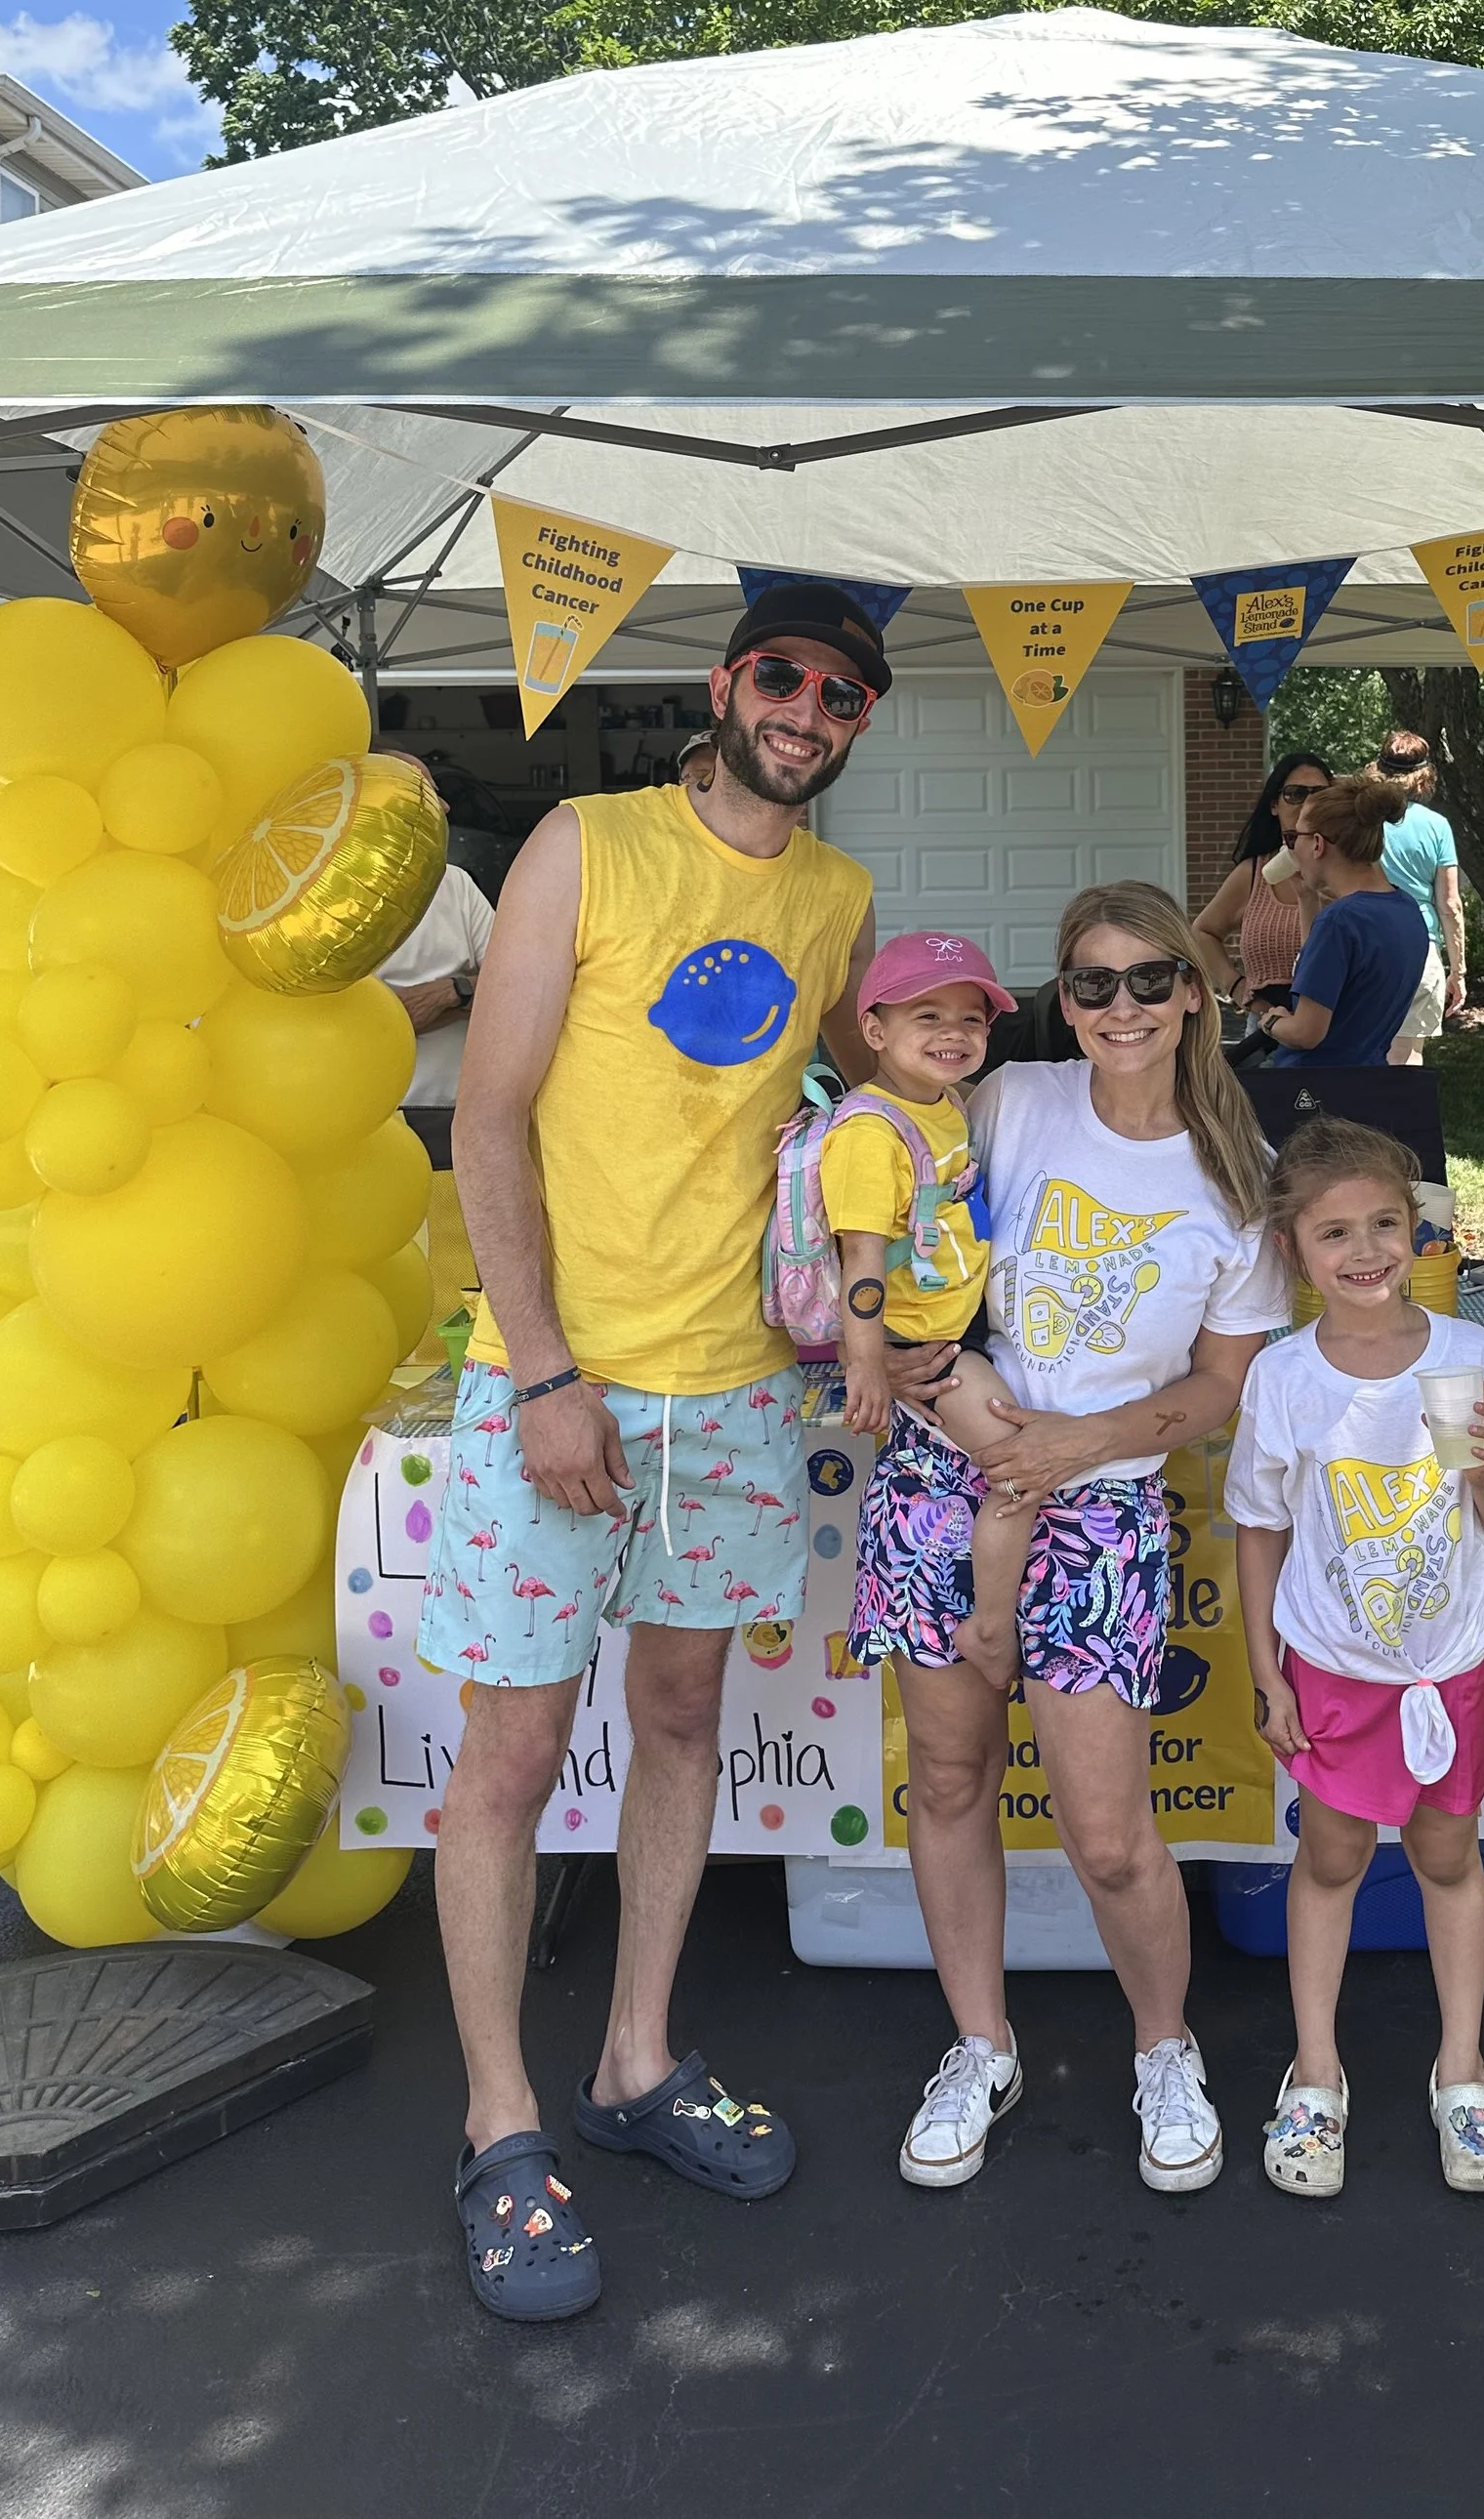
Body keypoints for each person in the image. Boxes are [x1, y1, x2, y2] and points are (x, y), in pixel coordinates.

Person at [428, 579, 942, 2324]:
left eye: (842, 694)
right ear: (727, 685)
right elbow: (485, 1116)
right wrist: (550, 1369)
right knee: (506, 1755)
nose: (807, 709)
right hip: (556, 1383)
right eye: (784, 676)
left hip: (734, 1393)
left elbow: (847, 1122)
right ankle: (502, 2123)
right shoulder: (580, 841)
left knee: (677, 1719)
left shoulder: (838, 896)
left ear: (858, 724)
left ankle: (634, 2060)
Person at [848, 883, 1287, 2195]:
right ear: (1064, 1000)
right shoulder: (1006, 1101)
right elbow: (908, 1247)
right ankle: (981, 2042)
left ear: (1196, 991)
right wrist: (950, 1393)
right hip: (942, 1474)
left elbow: (1221, 1388)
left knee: (1106, 1831)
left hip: (1102, 1509)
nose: (1120, 1007)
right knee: (948, 1779)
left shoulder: (1238, 1178)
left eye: (1148, 979)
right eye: (1090, 983)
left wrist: (1073, 1447)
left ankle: (1165, 2045)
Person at [1228, 1117, 1484, 2201]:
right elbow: (1260, 1528)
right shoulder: (1282, 1378)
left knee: (1448, 1858)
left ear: (1415, 1232)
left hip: (1442, 1669)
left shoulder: (1468, 1359)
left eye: (1382, 1225)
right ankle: (1315, 2072)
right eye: (1333, 1234)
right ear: (1295, 1252)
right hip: (1329, 1670)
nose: (1363, 1251)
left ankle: (1462, 2070)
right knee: (1329, 1861)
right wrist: (1269, 1673)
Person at [809, 930, 1034, 1688]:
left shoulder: (942, 1104)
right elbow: (862, 1262)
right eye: (926, 1016)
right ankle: (990, 1627)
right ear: (873, 1030)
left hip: (958, 1325)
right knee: (1016, 1469)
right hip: (924, 1345)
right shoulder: (872, 1133)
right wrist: (866, 1363)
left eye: (970, 1019)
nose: (953, 1034)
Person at [1264, 777, 1429, 1067]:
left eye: (1293, 838)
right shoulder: (1406, 909)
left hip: (1313, 1091)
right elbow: (1324, 975)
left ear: (1317, 844)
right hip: (1367, 1082)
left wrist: (1272, 1022)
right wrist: (1307, 900)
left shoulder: (1339, 921)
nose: (1290, 849)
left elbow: (1306, 1032)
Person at [1191, 751, 1332, 1011]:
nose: (1308, 804)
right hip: (1265, 1031)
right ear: (1274, 804)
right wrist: (1235, 986)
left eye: (1320, 795)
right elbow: (1202, 932)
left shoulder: (1346, 870)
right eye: (1295, 794)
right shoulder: (1254, 873)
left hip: (1336, 1029)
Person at [377, 855, 497, 1137]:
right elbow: (361, 1025)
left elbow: (518, 987)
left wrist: (450, 993)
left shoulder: (453, 882)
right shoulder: (322, 898)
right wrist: (471, 996)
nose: (445, 808)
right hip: (377, 1122)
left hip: (466, 1114)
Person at [1373, 732, 1466, 1063]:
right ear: (1424, 777)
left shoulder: (1362, 821)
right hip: (1418, 946)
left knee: (1360, 1051)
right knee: (1407, 1056)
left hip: (1364, 944)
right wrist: (1458, 971)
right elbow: (1450, 905)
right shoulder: (1437, 826)